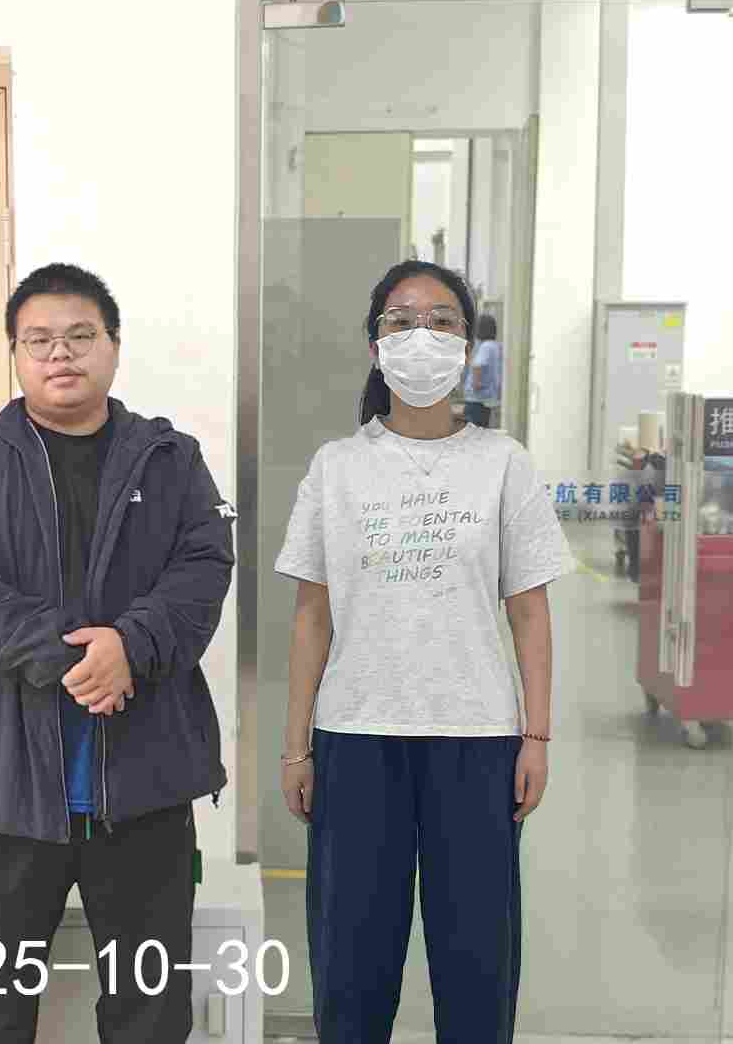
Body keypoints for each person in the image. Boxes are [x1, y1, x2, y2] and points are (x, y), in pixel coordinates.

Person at [0, 262, 234, 1044]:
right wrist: (89, 662)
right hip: (7, 783)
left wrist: (133, 644)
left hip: (147, 776)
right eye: (39, 340)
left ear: (114, 346)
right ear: (16, 355)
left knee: (149, 1005)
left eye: (81, 336)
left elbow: (203, 569)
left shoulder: (171, 460)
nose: (60, 354)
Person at [275, 260, 573, 1044]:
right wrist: (296, 747)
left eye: (442, 321)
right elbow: (312, 617)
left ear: (467, 347)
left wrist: (537, 736)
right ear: (375, 346)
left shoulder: (502, 462)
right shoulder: (337, 467)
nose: (421, 336)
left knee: (477, 960)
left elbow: (530, 611)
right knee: (350, 961)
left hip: (476, 739)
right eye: (401, 320)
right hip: (355, 736)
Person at [463, 311, 502, 429]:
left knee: (472, 432)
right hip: (487, 399)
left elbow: (477, 365)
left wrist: (476, 383)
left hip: (476, 399)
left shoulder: (486, 346)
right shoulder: (496, 345)